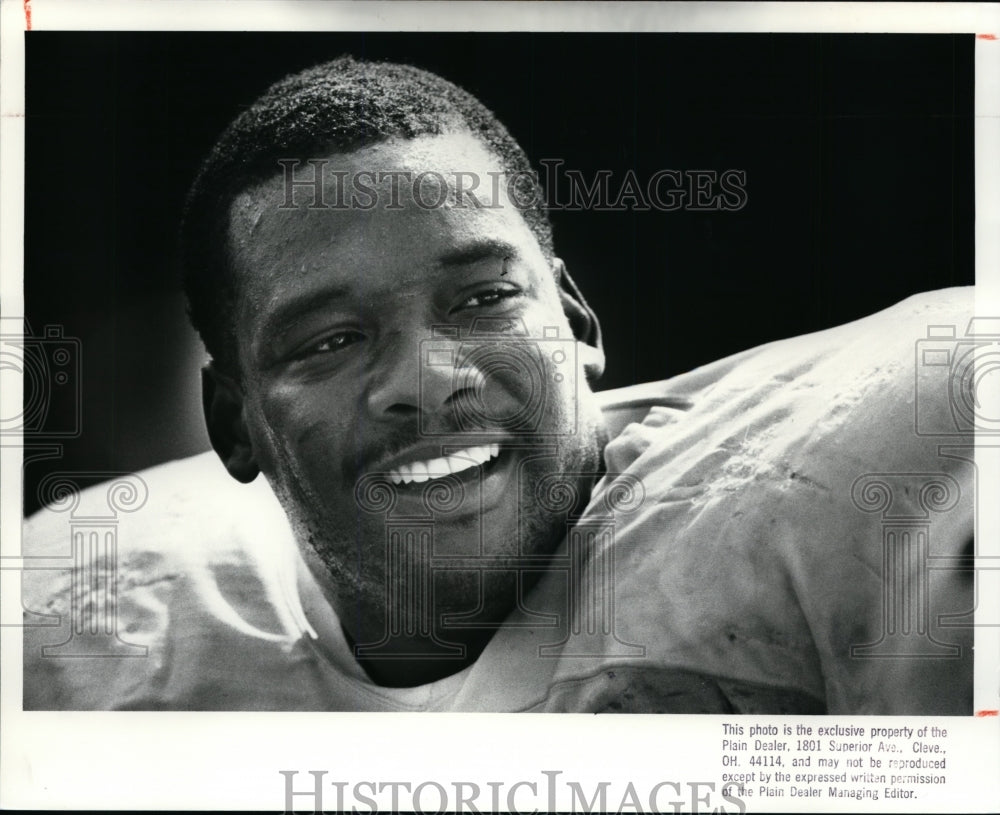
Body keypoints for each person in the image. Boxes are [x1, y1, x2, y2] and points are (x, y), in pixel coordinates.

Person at [22, 56, 974, 713]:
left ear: (579, 323)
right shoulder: (75, 622)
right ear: (233, 425)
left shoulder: (865, 464)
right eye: (331, 339)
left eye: (480, 298)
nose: (429, 381)